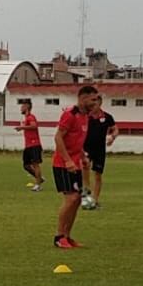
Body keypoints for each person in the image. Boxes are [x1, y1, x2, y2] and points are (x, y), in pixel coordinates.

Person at [52, 86, 99, 249]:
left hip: (75, 164)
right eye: (93, 99)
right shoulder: (69, 115)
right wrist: (67, 161)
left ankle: (67, 236)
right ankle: (59, 237)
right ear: (83, 98)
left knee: (77, 199)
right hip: (62, 164)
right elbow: (58, 138)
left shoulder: (85, 117)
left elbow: (76, 141)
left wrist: (83, 157)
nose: (96, 103)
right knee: (71, 198)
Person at [84, 101, 118, 206]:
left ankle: (95, 199)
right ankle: (86, 191)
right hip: (86, 148)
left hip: (99, 150)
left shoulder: (107, 117)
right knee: (85, 166)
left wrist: (112, 137)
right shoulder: (85, 116)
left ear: (100, 104)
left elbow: (115, 129)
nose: (92, 106)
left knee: (98, 174)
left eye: (95, 104)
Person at [16, 100, 45, 190]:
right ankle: (40, 178)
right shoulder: (26, 118)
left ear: (27, 106)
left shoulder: (31, 117)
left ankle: (38, 185)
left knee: (35, 164)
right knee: (26, 166)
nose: (21, 108)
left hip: (34, 144)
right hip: (28, 146)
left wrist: (22, 127)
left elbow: (34, 126)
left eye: (23, 106)